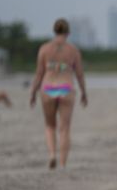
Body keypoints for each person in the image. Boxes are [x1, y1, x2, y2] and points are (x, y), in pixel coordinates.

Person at [29, 18, 88, 169]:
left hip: (48, 88)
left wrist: (33, 93)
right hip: (66, 88)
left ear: (54, 31)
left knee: (50, 125)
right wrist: (84, 92)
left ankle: (52, 155)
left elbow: (39, 74)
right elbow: (80, 74)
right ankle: (63, 163)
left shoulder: (44, 49)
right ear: (68, 32)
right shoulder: (73, 50)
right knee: (65, 128)